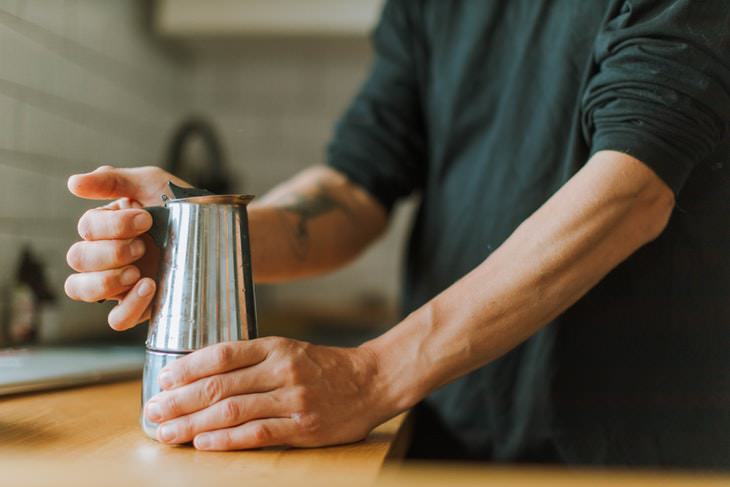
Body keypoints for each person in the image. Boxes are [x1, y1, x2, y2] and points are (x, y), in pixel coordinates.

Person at [64, 0, 730, 468]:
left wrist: (371, 375)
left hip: (635, 455)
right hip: (452, 434)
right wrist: (201, 238)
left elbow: (633, 187)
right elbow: (356, 185)